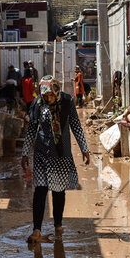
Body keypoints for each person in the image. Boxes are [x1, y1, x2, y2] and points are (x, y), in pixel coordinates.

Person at [21, 76, 90, 243]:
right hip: (42, 153)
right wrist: (24, 153)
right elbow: (32, 129)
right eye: (46, 96)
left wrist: (84, 149)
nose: (49, 99)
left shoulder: (67, 101)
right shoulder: (38, 103)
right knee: (40, 191)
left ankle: (58, 224)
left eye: (51, 95)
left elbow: (75, 125)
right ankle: (36, 229)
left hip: (61, 153)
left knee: (59, 191)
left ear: (57, 91)